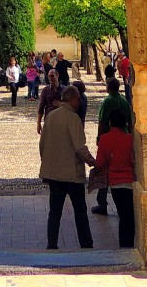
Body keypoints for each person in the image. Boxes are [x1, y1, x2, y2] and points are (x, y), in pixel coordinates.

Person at [38, 85, 95, 250]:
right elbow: (79, 147)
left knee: (54, 212)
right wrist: (92, 161)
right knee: (80, 211)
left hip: (54, 173)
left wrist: (48, 162)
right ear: (72, 99)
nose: (79, 102)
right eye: (78, 99)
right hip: (71, 174)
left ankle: (52, 244)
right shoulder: (73, 118)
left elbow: (42, 144)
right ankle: (86, 243)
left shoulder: (51, 117)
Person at [91, 77, 132, 217]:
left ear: (109, 87)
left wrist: (99, 137)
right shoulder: (124, 101)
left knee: (104, 171)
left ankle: (102, 202)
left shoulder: (108, 101)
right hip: (124, 136)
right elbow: (131, 121)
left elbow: (102, 121)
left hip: (109, 138)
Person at [94, 110, 135, 246]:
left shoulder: (105, 139)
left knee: (123, 216)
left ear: (110, 122)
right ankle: (129, 243)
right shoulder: (130, 139)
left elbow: (100, 162)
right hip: (130, 181)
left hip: (115, 183)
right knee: (129, 216)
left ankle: (124, 245)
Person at [36, 69, 62, 134]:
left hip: (62, 120)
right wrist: (38, 123)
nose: (50, 78)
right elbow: (41, 107)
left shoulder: (65, 90)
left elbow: (70, 105)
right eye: (49, 76)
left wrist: (61, 105)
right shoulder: (45, 90)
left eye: (52, 76)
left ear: (57, 76)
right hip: (49, 120)